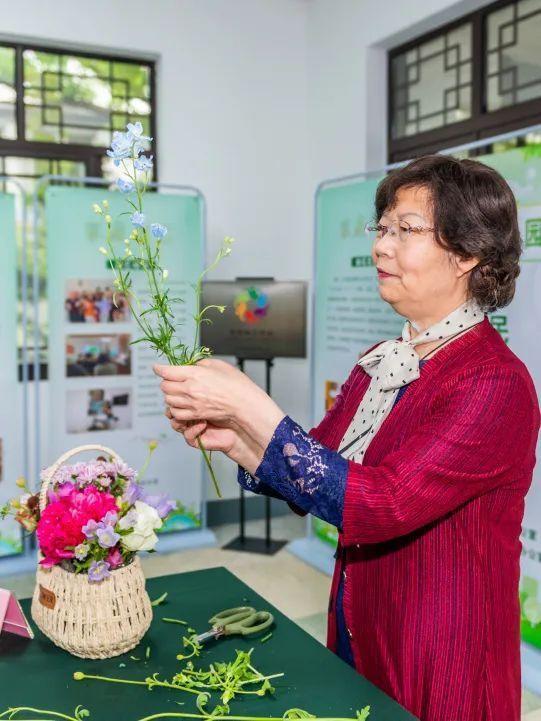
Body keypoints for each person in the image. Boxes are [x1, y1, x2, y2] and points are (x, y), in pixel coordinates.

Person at [154, 155, 540, 721]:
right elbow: (323, 473)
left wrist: (252, 407)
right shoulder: (382, 362)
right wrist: (236, 436)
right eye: (382, 228)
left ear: (466, 254)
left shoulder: (492, 382)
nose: (382, 247)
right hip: (361, 618)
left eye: (406, 231)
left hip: (441, 646)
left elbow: (381, 503)